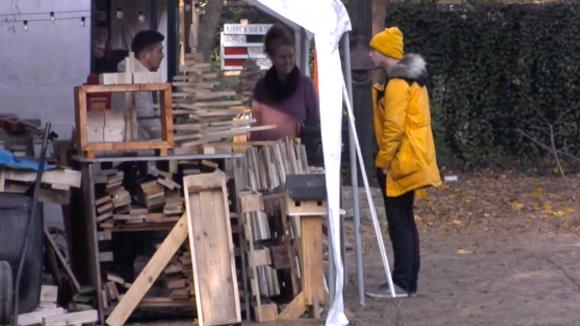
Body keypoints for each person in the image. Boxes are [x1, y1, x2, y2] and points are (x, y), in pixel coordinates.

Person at [366, 27, 441, 297]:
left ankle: (401, 282)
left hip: (400, 163)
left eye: (374, 50)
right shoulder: (411, 81)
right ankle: (407, 280)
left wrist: (383, 161)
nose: (370, 54)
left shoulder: (397, 85)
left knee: (399, 223)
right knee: (405, 221)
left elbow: (394, 128)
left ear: (385, 53)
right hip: (411, 159)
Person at [251, 25, 319, 143]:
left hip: (299, 156)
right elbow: (256, 129)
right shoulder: (261, 87)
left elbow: (315, 125)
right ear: (272, 57)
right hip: (270, 155)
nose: (287, 62)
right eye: (282, 57)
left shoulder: (305, 85)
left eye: (290, 56)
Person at [116, 30, 165, 139]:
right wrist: (166, 136)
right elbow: (144, 114)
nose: (163, 56)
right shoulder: (136, 77)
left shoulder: (136, 74)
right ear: (146, 55)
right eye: (159, 51)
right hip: (136, 147)